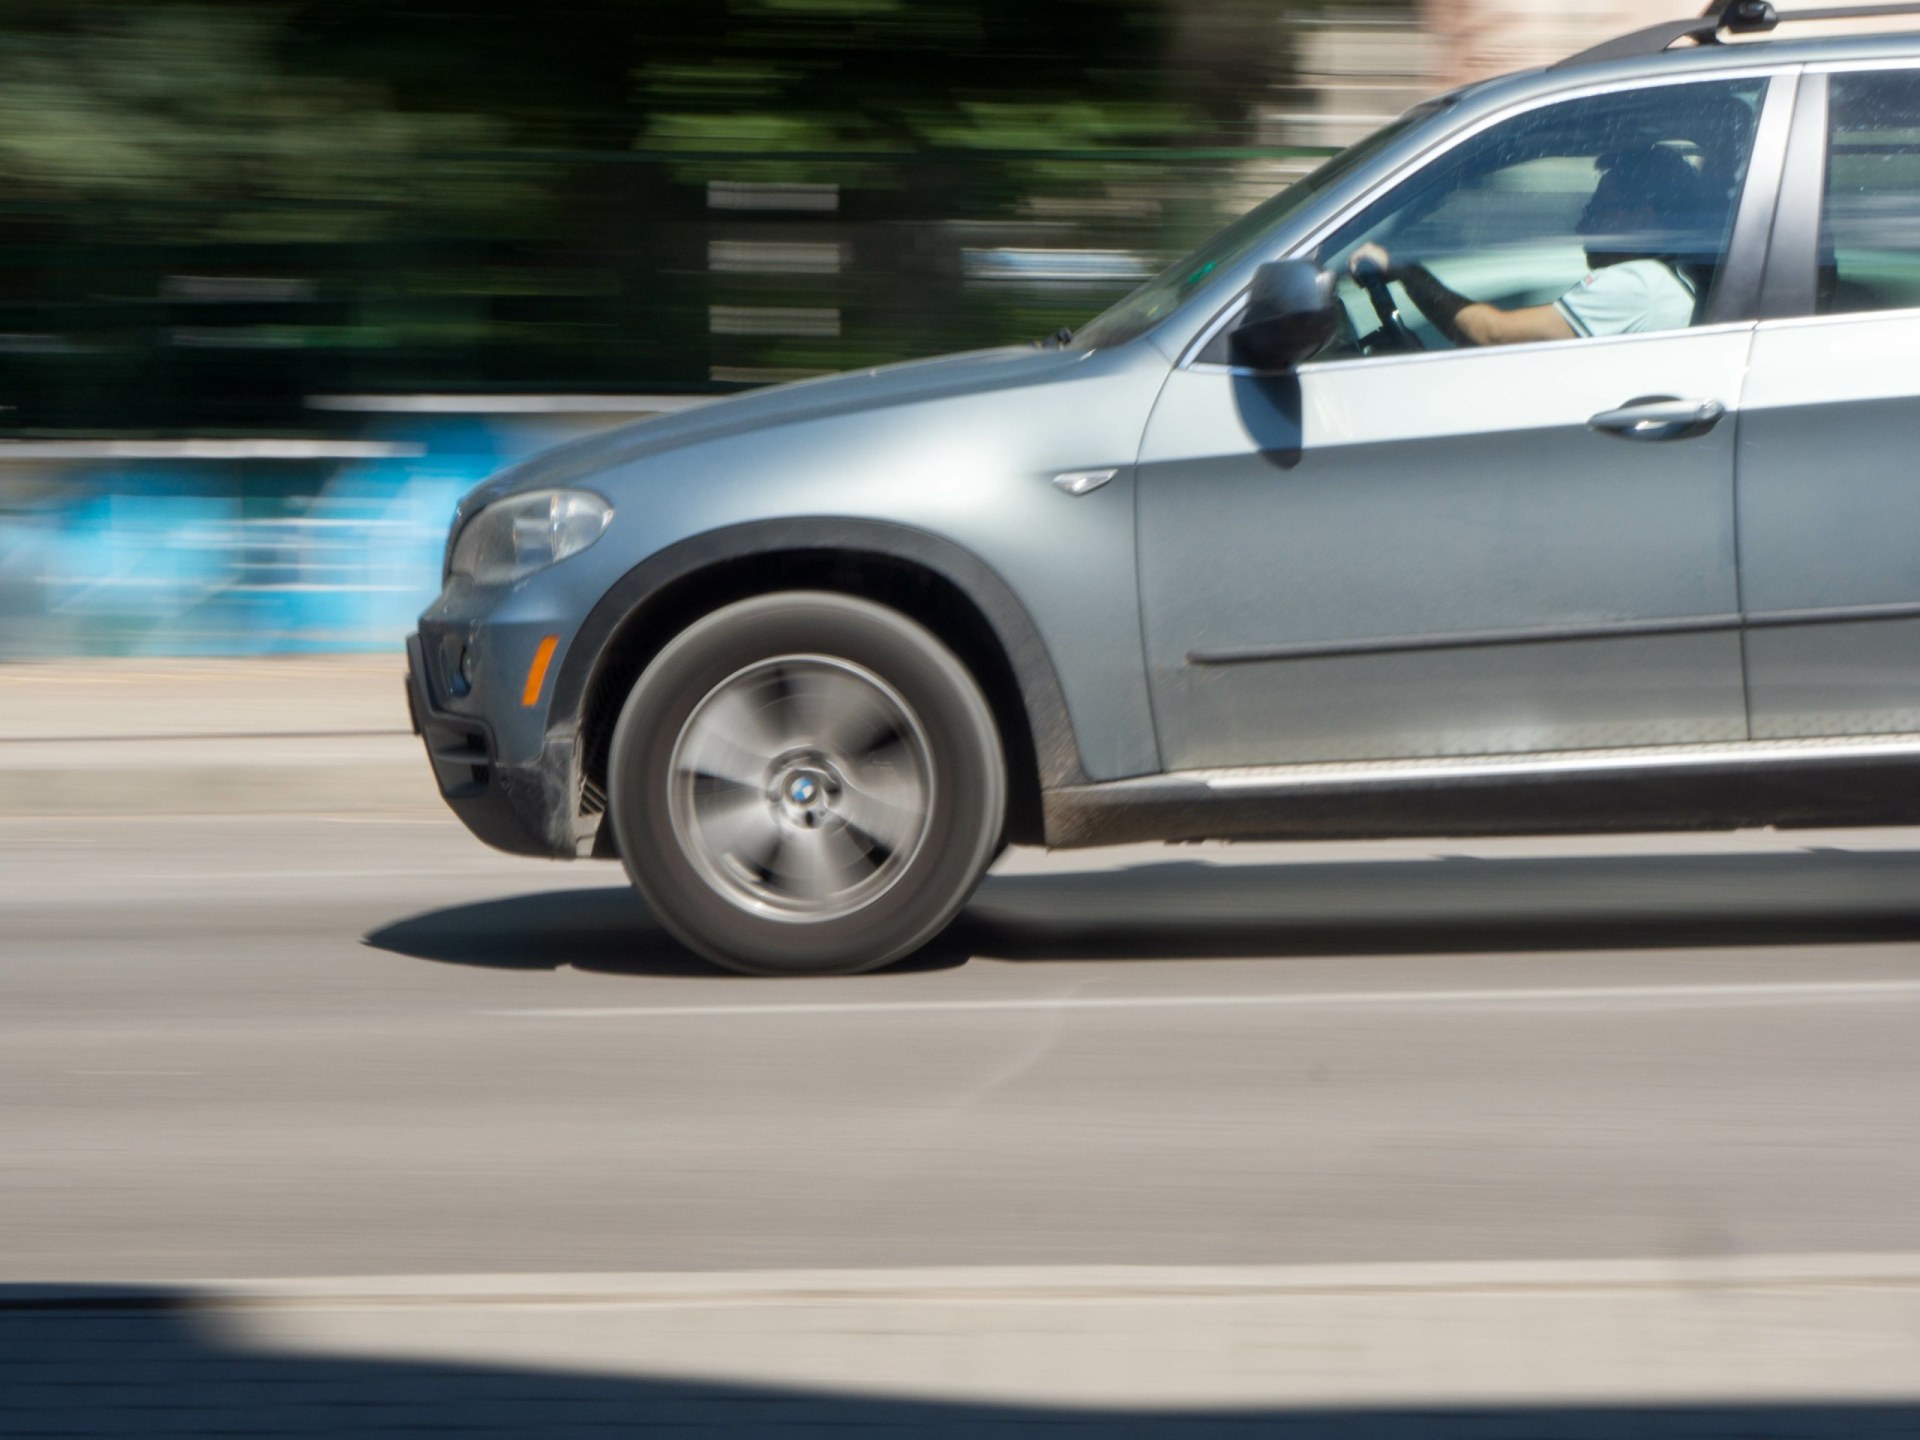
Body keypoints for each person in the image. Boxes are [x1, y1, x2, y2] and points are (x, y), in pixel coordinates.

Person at [1346, 145, 1708, 348]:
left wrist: (1408, 272)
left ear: (1642, 218)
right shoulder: (1666, 281)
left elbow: (1491, 335)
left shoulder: (1637, 285)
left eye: (1598, 210)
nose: (1583, 224)